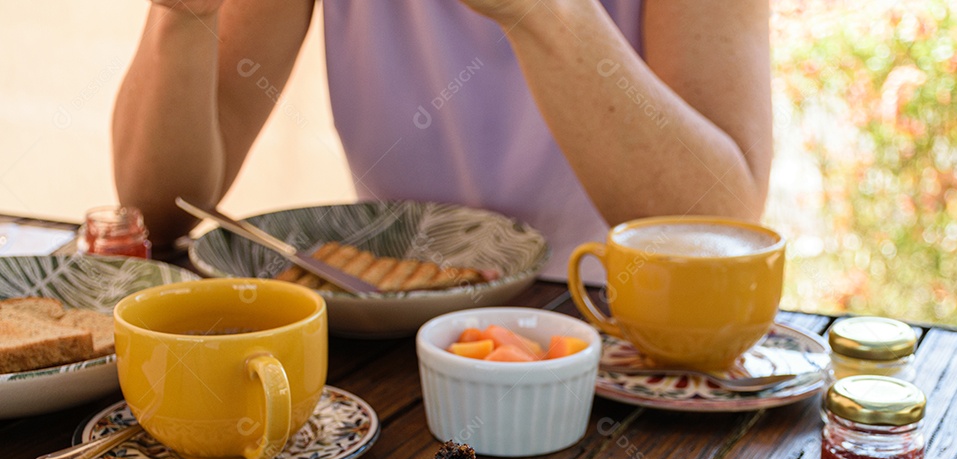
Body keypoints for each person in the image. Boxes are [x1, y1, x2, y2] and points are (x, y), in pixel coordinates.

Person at [113, 0, 772, 280]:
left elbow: (719, 222)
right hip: (399, 339)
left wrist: (540, 12)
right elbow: (160, 207)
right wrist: (182, 16)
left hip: (617, 343)